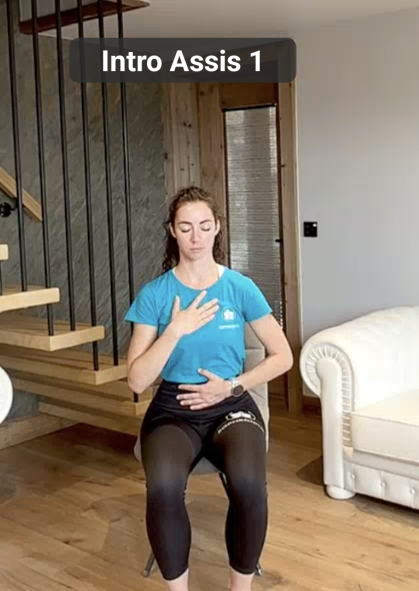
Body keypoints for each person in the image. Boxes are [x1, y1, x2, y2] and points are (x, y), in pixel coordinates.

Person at [124, 186, 293, 591]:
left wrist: (232, 386)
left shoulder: (240, 287)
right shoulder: (155, 295)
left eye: (204, 226)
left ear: (217, 227)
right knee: (163, 489)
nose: (196, 237)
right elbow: (136, 380)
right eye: (185, 227)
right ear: (172, 231)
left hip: (230, 405)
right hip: (173, 409)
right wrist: (174, 330)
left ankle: (240, 589)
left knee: (249, 485)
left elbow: (283, 356)